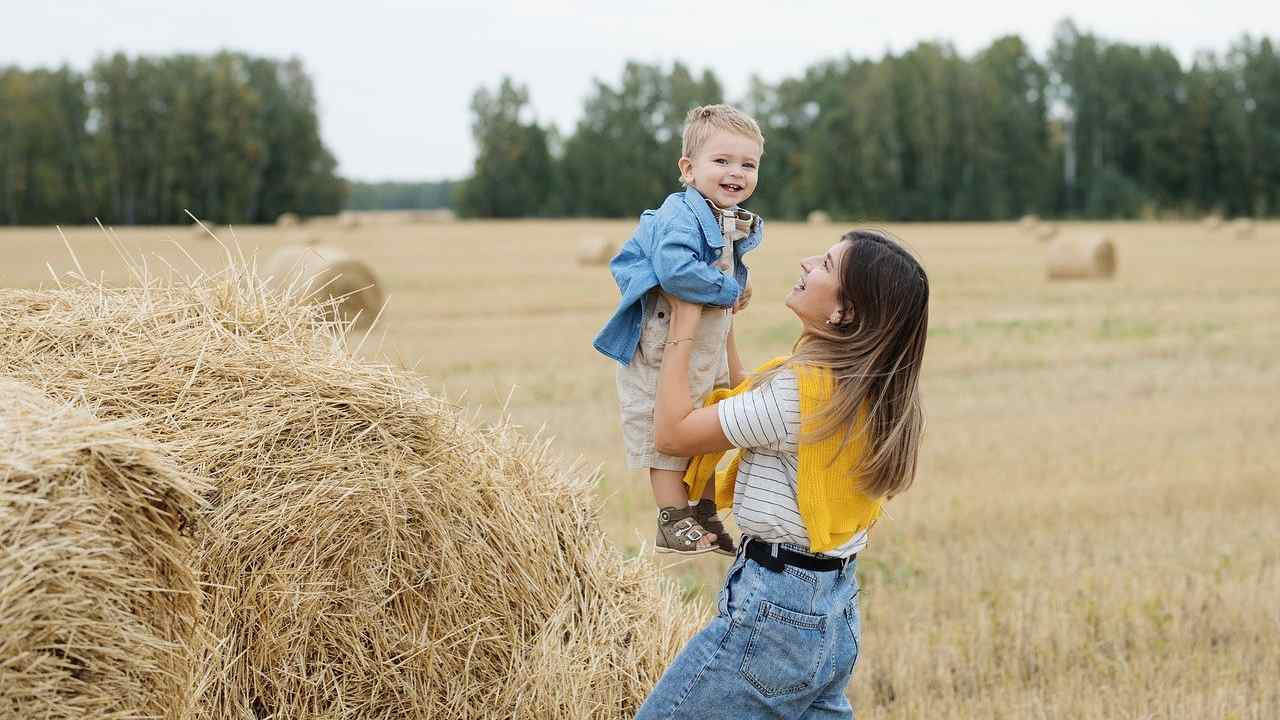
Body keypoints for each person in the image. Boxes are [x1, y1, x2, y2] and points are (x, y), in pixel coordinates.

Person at [635, 229, 930, 718]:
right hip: (831, 614)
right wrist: (722, 322)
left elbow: (673, 434)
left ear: (845, 311)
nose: (806, 262)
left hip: (776, 616)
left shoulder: (800, 398)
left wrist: (683, 323)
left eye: (826, 265)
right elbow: (753, 399)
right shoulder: (862, 391)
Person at [592, 104, 765, 556]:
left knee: (713, 419)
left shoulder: (724, 217)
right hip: (662, 344)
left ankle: (703, 509)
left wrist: (735, 291)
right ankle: (672, 518)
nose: (736, 173)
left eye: (748, 164)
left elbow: (719, 277)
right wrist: (727, 291)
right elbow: (674, 271)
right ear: (688, 169)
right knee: (664, 429)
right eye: (722, 161)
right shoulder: (679, 215)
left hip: (704, 341)